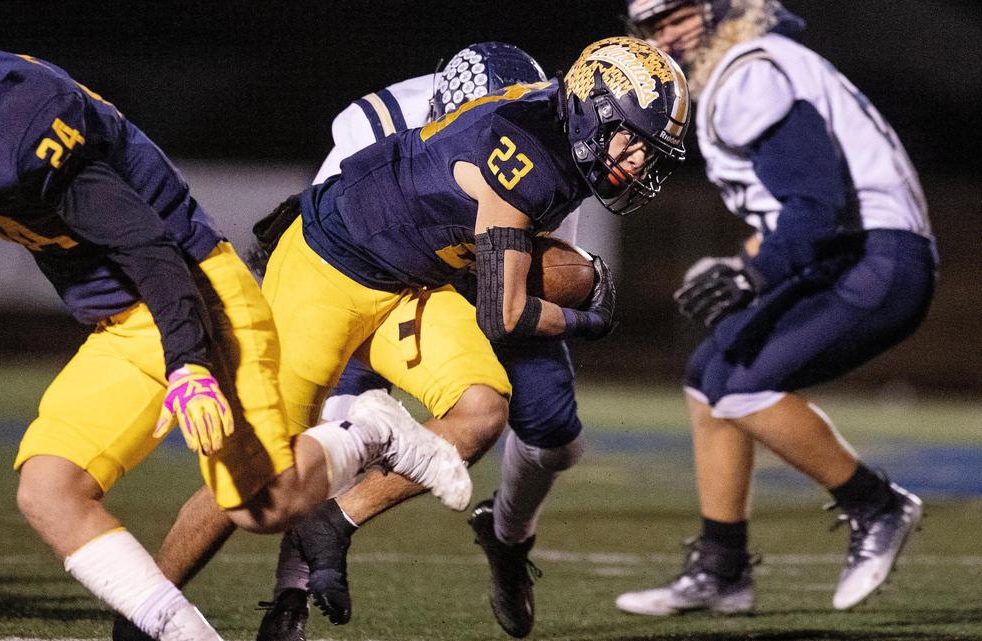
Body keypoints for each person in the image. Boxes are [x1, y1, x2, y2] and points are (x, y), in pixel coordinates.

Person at [0, 2, 471, 640]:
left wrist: (189, 363)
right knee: (48, 488)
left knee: (263, 506)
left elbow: (151, 250)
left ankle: (369, 429)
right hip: (118, 322)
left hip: (199, 298)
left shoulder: (24, 128)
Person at [112, 40, 655, 641]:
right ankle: (142, 611)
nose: (636, 159)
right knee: (261, 486)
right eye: (630, 138)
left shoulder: (558, 123)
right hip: (328, 268)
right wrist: (592, 316)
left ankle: (336, 523)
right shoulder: (517, 154)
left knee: (481, 411)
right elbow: (506, 315)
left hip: (418, 279)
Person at [254, 35, 685, 637]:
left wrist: (577, 283)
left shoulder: (552, 141)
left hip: (487, 275)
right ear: (443, 114)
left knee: (556, 436)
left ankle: (507, 537)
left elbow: (522, 284)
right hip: (383, 266)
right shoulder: (381, 124)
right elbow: (337, 216)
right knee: (335, 420)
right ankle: (290, 597)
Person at [614, 0, 936, 615]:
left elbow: (817, 203)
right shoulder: (747, 71)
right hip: (849, 253)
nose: (670, 36)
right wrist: (743, 264)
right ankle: (722, 567)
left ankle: (876, 504)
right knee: (708, 377)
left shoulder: (746, 72)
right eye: (656, 26)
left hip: (874, 256)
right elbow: (792, 208)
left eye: (680, 16)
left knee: (742, 386)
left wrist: (753, 273)